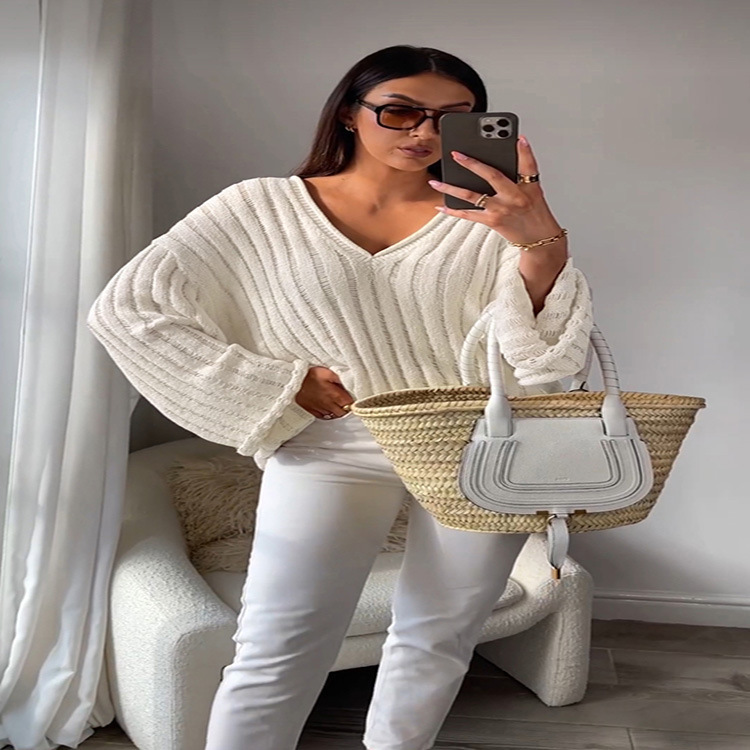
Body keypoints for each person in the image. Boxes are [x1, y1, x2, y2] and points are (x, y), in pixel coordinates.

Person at [87, 44, 593, 750]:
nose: (423, 131)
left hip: (482, 447)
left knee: (439, 638)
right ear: (351, 114)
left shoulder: (492, 217)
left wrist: (541, 244)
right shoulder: (259, 207)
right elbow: (130, 309)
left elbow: (545, 362)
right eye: (400, 111)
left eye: (451, 117)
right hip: (332, 445)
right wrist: (278, 383)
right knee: (275, 646)